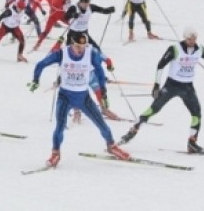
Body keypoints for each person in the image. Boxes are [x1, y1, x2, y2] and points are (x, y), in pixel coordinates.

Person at [119, 27, 204, 153]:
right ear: (185, 38)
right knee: (154, 109)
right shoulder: (175, 49)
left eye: (194, 39)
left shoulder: (200, 49)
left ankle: (192, 143)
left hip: (187, 87)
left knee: (196, 113)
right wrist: (157, 85)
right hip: (171, 85)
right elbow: (161, 65)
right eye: (190, 39)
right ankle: (132, 131)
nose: (192, 41)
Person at [28, 33, 130, 167]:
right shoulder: (62, 54)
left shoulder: (90, 54)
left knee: (101, 124)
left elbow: (99, 71)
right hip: (65, 97)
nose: (81, 49)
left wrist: (103, 92)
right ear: (71, 44)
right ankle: (55, 154)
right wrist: (35, 80)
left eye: (83, 46)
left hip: (83, 98)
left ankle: (112, 146)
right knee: (60, 126)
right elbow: (41, 64)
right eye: (77, 46)